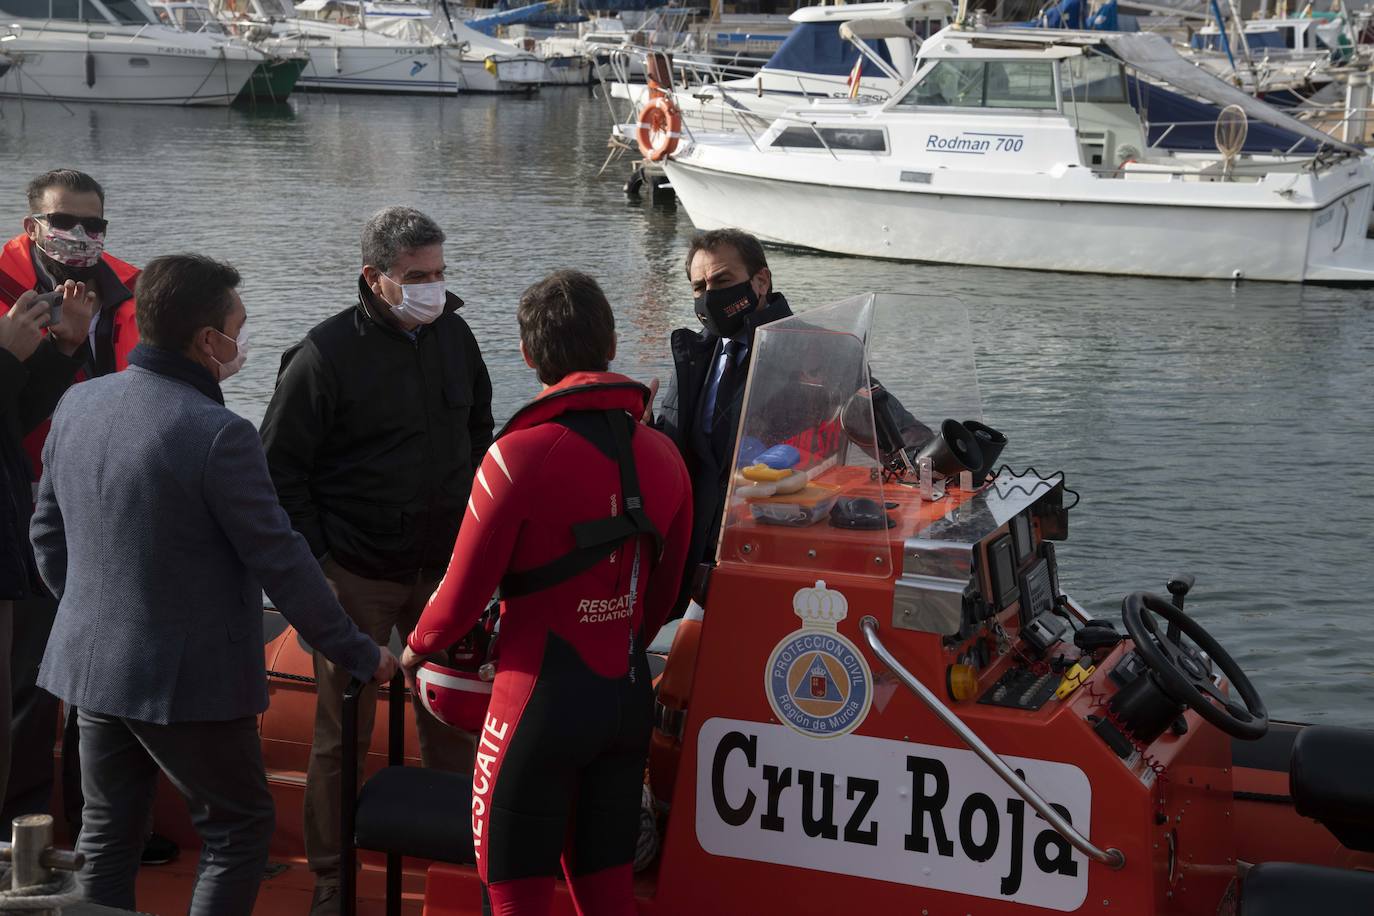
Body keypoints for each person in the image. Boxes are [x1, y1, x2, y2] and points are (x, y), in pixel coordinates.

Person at [28, 253, 396, 916]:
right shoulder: (218, 433)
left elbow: (47, 537)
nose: (243, 339)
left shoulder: (79, 401)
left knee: (106, 832)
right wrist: (358, 652)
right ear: (207, 340)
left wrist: (89, 612)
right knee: (239, 828)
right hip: (186, 680)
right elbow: (281, 561)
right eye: (238, 326)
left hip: (91, 666)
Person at [401, 270, 692, 916]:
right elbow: (666, 593)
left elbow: (460, 597)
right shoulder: (666, 457)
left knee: (512, 898)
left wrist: (414, 649)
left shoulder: (515, 456)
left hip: (534, 705)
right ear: (611, 345)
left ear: (528, 355)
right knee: (608, 897)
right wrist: (617, 633)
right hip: (625, 699)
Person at [259, 206, 494, 914]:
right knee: (343, 734)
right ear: (374, 277)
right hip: (355, 573)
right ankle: (334, 879)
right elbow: (278, 471)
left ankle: (458, 867)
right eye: (418, 277)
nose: (434, 288)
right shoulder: (323, 355)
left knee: (454, 720)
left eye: (440, 272)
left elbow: (478, 431)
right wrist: (323, 565)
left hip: (443, 571)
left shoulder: (455, 335)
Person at [649, 228, 927, 615]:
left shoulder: (819, 350)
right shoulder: (693, 356)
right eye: (699, 287)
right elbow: (677, 451)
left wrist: (940, 460)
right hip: (699, 563)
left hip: (779, 551)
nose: (709, 296)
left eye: (722, 281)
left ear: (761, 281)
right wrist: (644, 433)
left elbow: (890, 427)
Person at [0, 168, 143, 846]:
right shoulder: (8, 297)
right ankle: (22, 827)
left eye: (94, 224)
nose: (79, 236)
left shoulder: (129, 292)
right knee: (29, 677)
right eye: (64, 222)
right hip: (24, 504)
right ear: (32, 226)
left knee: (105, 668)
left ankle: (101, 826)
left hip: (107, 502)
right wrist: (45, 350)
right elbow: (14, 417)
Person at [0, 284, 96, 805]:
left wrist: (62, 350)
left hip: (19, 543)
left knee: (24, 697)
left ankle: (22, 827)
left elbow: (12, 422)